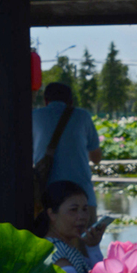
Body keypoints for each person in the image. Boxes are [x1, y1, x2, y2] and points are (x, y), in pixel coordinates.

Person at [32, 82, 102, 224]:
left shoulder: (34, 116)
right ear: (71, 101)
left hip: (47, 196)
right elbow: (96, 158)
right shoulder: (83, 116)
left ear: (46, 101)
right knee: (87, 242)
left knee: (49, 244)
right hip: (83, 195)